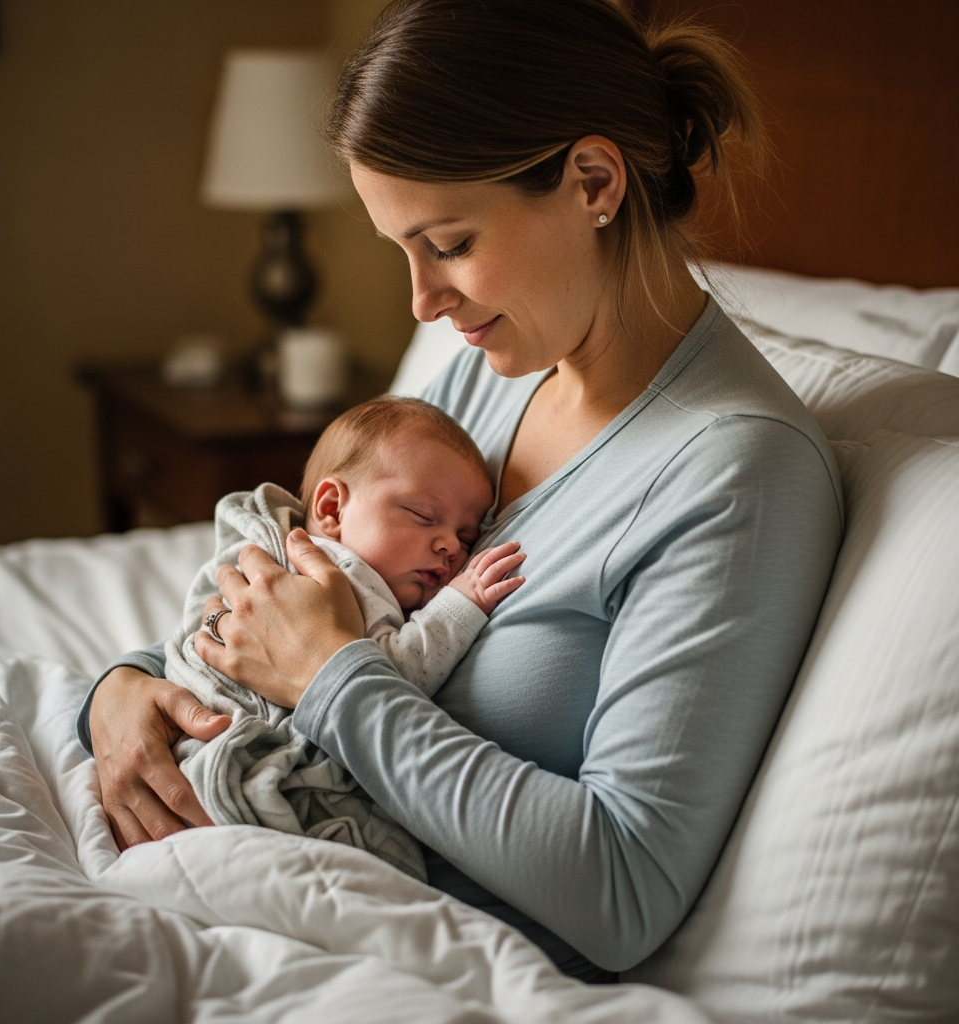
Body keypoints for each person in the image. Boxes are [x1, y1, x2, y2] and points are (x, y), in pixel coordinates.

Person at [82, 0, 843, 982]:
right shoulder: (490, 368)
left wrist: (332, 679)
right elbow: (319, 592)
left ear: (594, 182)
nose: (420, 303)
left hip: (388, 951)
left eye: (445, 243)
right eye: (402, 250)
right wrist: (124, 689)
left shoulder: (735, 472)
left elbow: (625, 887)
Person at [101, 396, 524, 879]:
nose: (450, 545)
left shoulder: (285, 548)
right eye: (423, 516)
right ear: (331, 507)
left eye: (466, 537)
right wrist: (460, 605)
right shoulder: (350, 576)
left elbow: (357, 689)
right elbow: (393, 675)